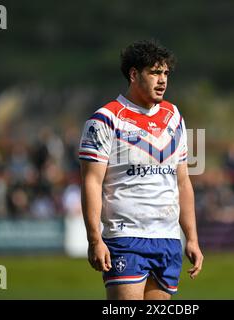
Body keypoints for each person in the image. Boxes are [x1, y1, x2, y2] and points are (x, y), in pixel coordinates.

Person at [79, 40, 203, 300]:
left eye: (166, 73)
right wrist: (94, 240)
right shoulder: (104, 119)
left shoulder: (175, 116)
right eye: (155, 72)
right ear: (134, 74)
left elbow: (183, 182)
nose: (162, 80)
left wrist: (191, 237)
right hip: (126, 237)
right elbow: (91, 182)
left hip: (168, 239)